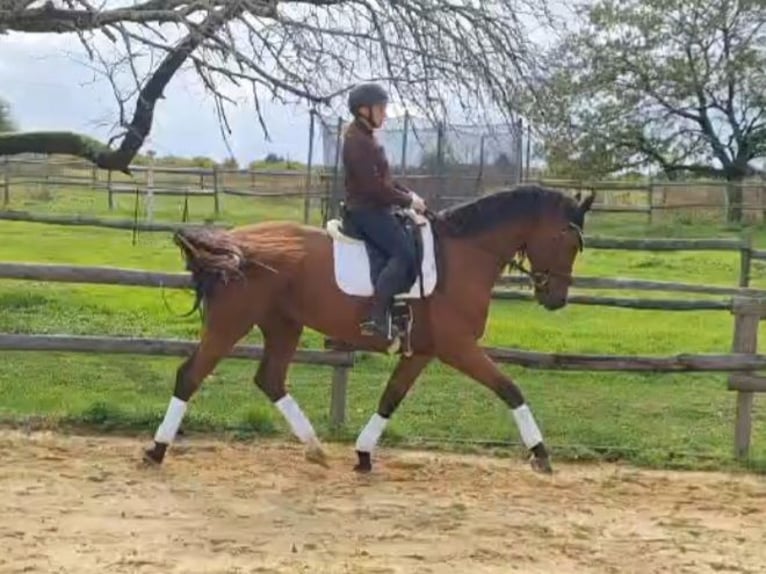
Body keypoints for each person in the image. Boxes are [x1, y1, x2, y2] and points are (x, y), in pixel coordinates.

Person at [341, 82, 427, 339]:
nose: (385, 114)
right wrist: (407, 202)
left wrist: (410, 195)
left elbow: (386, 182)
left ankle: (394, 310)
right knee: (404, 254)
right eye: (381, 109)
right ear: (364, 110)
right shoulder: (357, 142)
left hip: (375, 207)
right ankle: (376, 316)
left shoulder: (365, 138)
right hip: (365, 211)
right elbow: (373, 187)